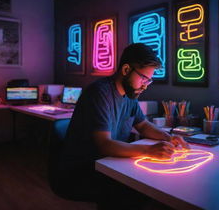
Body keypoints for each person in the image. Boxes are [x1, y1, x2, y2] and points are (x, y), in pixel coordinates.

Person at [54, 43, 189, 209]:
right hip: (82, 170)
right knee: (140, 193)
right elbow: (105, 145)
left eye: (149, 80)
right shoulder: (100, 93)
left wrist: (168, 137)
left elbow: (143, 125)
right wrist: (149, 150)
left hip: (108, 163)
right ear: (126, 70)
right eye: (143, 78)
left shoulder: (130, 95)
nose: (146, 85)